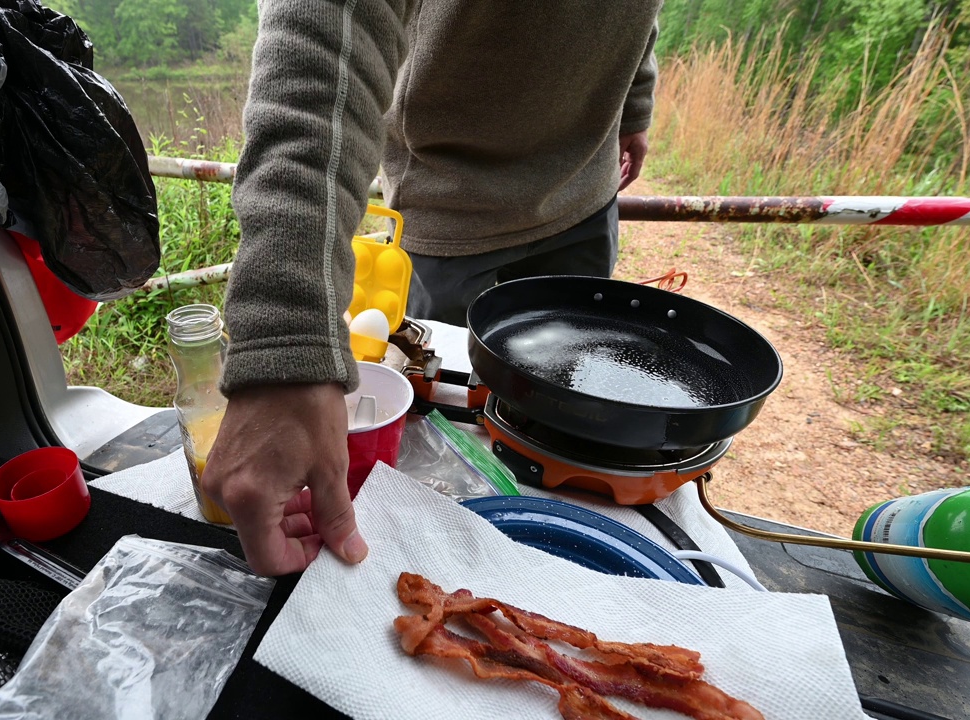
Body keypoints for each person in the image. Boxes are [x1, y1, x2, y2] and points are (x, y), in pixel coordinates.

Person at [200, 1, 662, 576]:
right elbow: (329, 20)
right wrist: (285, 341)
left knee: (570, 420)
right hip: (448, 205)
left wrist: (634, 104)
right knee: (433, 407)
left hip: (585, 194)